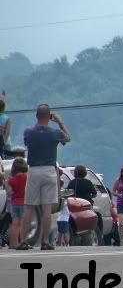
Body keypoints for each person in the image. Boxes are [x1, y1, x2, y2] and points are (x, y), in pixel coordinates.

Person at [19, 104, 71, 251]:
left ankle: (23, 240)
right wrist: (60, 122)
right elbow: (68, 138)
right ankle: (46, 241)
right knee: (47, 207)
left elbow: (27, 142)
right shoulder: (55, 133)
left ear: (36, 116)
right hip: (49, 170)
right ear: (49, 117)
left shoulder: (28, 132)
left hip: (34, 170)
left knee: (29, 207)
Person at [7, 157, 27, 249]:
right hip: (23, 201)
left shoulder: (12, 180)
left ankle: (13, 243)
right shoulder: (26, 177)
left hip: (14, 202)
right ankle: (22, 241)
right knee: (23, 223)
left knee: (15, 223)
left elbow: (10, 192)